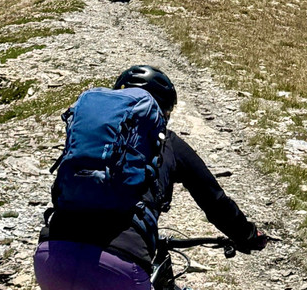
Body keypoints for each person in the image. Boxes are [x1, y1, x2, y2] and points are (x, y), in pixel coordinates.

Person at [34, 65, 268, 290]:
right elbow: (214, 200)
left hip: (52, 256)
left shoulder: (96, 138)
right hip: (119, 264)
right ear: (163, 111)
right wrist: (246, 235)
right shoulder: (169, 142)